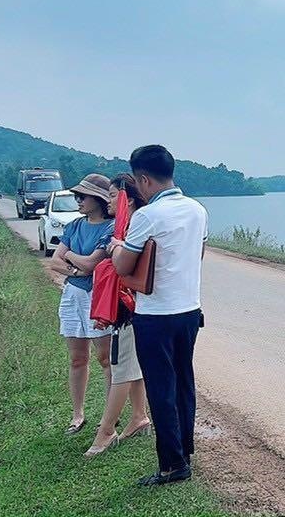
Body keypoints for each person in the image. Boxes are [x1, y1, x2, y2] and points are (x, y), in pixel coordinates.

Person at [110, 145, 208, 487]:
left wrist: (115, 247)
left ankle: (172, 465)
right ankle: (184, 451)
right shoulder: (198, 210)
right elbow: (197, 254)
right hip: (189, 311)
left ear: (143, 179)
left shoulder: (147, 216)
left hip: (155, 316)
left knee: (161, 388)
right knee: (183, 383)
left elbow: (123, 266)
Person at [84, 173, 152, 457]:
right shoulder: (130, 225)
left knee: (121, 368)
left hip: (130, 307)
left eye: (112, 195)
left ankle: (106, 430)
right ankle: (139, 416)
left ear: (127, 198)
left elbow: (124, 266)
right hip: (133, 306)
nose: (108, 201)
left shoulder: (134, 227)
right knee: (131, 365)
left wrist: (116, 248)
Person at [48, 173, 116, 436]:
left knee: (105, 358)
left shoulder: (111, 228)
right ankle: (77, 415)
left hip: (98, 296)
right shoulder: (75, 225)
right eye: (77, 196)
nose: (78, 200)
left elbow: (91, 265)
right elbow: (55, 262)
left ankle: (109, 415)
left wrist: (70, 256)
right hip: (73, 295)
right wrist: (77, 268)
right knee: (77, 359)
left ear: (98, 199)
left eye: (82, 196)